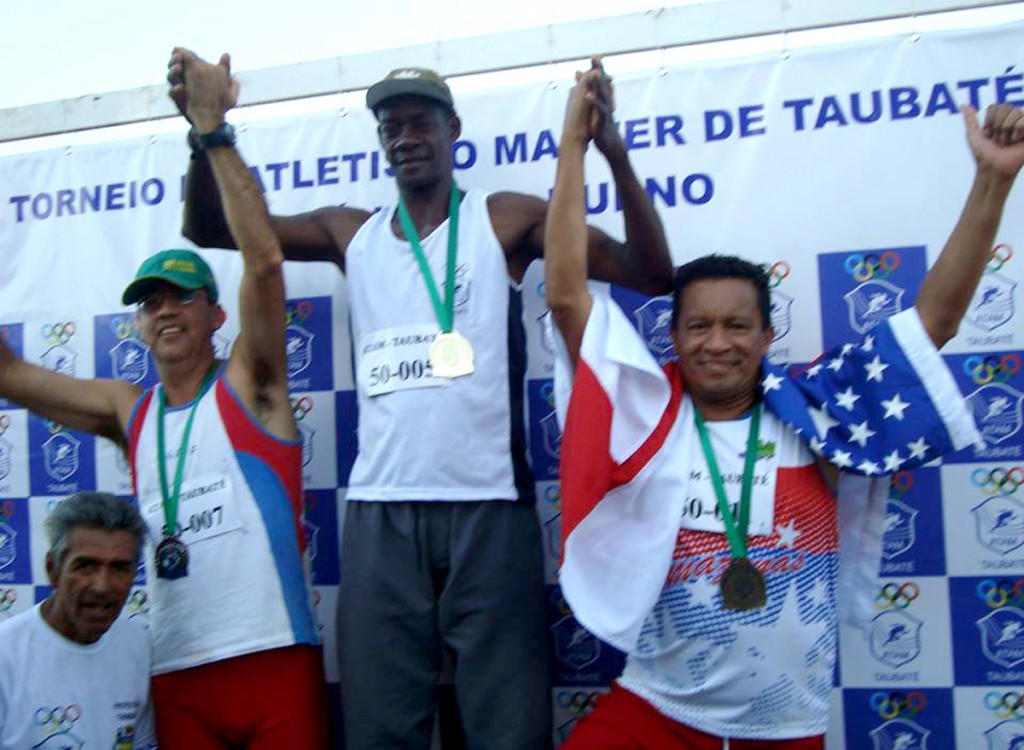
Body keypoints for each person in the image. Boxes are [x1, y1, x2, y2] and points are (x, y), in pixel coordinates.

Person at [166, 50, 673, 749]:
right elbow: (211, 229)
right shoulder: (353, 232)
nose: (404, 137)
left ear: (453, 129)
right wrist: (204, 131)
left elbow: (652, 271)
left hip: (491, 506)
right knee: (379, 726)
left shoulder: (503, 220)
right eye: (390, 127)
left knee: (508, 726)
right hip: (381, 511)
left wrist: (611, 152)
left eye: (419, 122)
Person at [544, 68, 1024, 748]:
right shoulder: (646, 414)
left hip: (786, 729)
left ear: (767, 337)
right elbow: (567, 298)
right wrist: (575, 142)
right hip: (658, 713)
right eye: (698, 327)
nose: (717, 344)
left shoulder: (819, 413)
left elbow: (934, 323)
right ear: (673, 337)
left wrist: (994, 181)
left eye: (737, 327)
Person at [0, 53, 326, 749]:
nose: (167, 309)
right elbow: (12, 375)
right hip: (175, 672)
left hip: (273, 660)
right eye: (151, 302)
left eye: (184, 295)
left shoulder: (251, 383)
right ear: (138, 325)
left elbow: (264, 260)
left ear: (216, 315)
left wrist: (212, 127)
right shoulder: (129, 409)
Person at [0, 491, 155, 750]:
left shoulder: (142, 647)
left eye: (119, 568)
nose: (102, 586)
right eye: (85, 566)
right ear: (53, 569)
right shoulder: (6, 655)